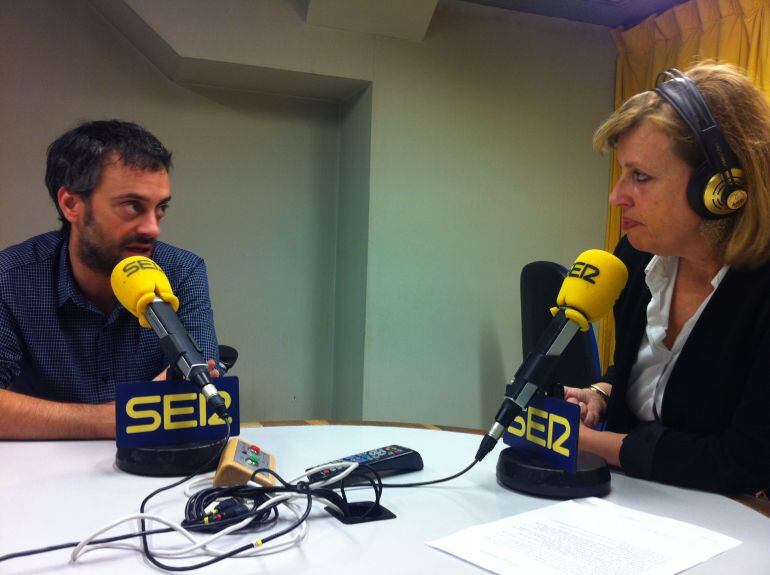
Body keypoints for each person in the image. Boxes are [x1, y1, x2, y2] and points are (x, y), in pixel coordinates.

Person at [564, 62, 770, 495]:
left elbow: (745, 461)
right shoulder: (637, 257)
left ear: (720, 188)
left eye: (640, 177)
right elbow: (645, 378)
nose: (616, 196)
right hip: (642, 499)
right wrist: (601, 394)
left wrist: (591, 443)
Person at [0, 120, 220, 440]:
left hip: (150, 471)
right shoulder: (11, 277)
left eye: (159, 209)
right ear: (71, 204)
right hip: (40, 475)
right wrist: (116, 417)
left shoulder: (182, 272)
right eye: (132, 206)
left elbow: (198, 391)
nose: (152, 229)